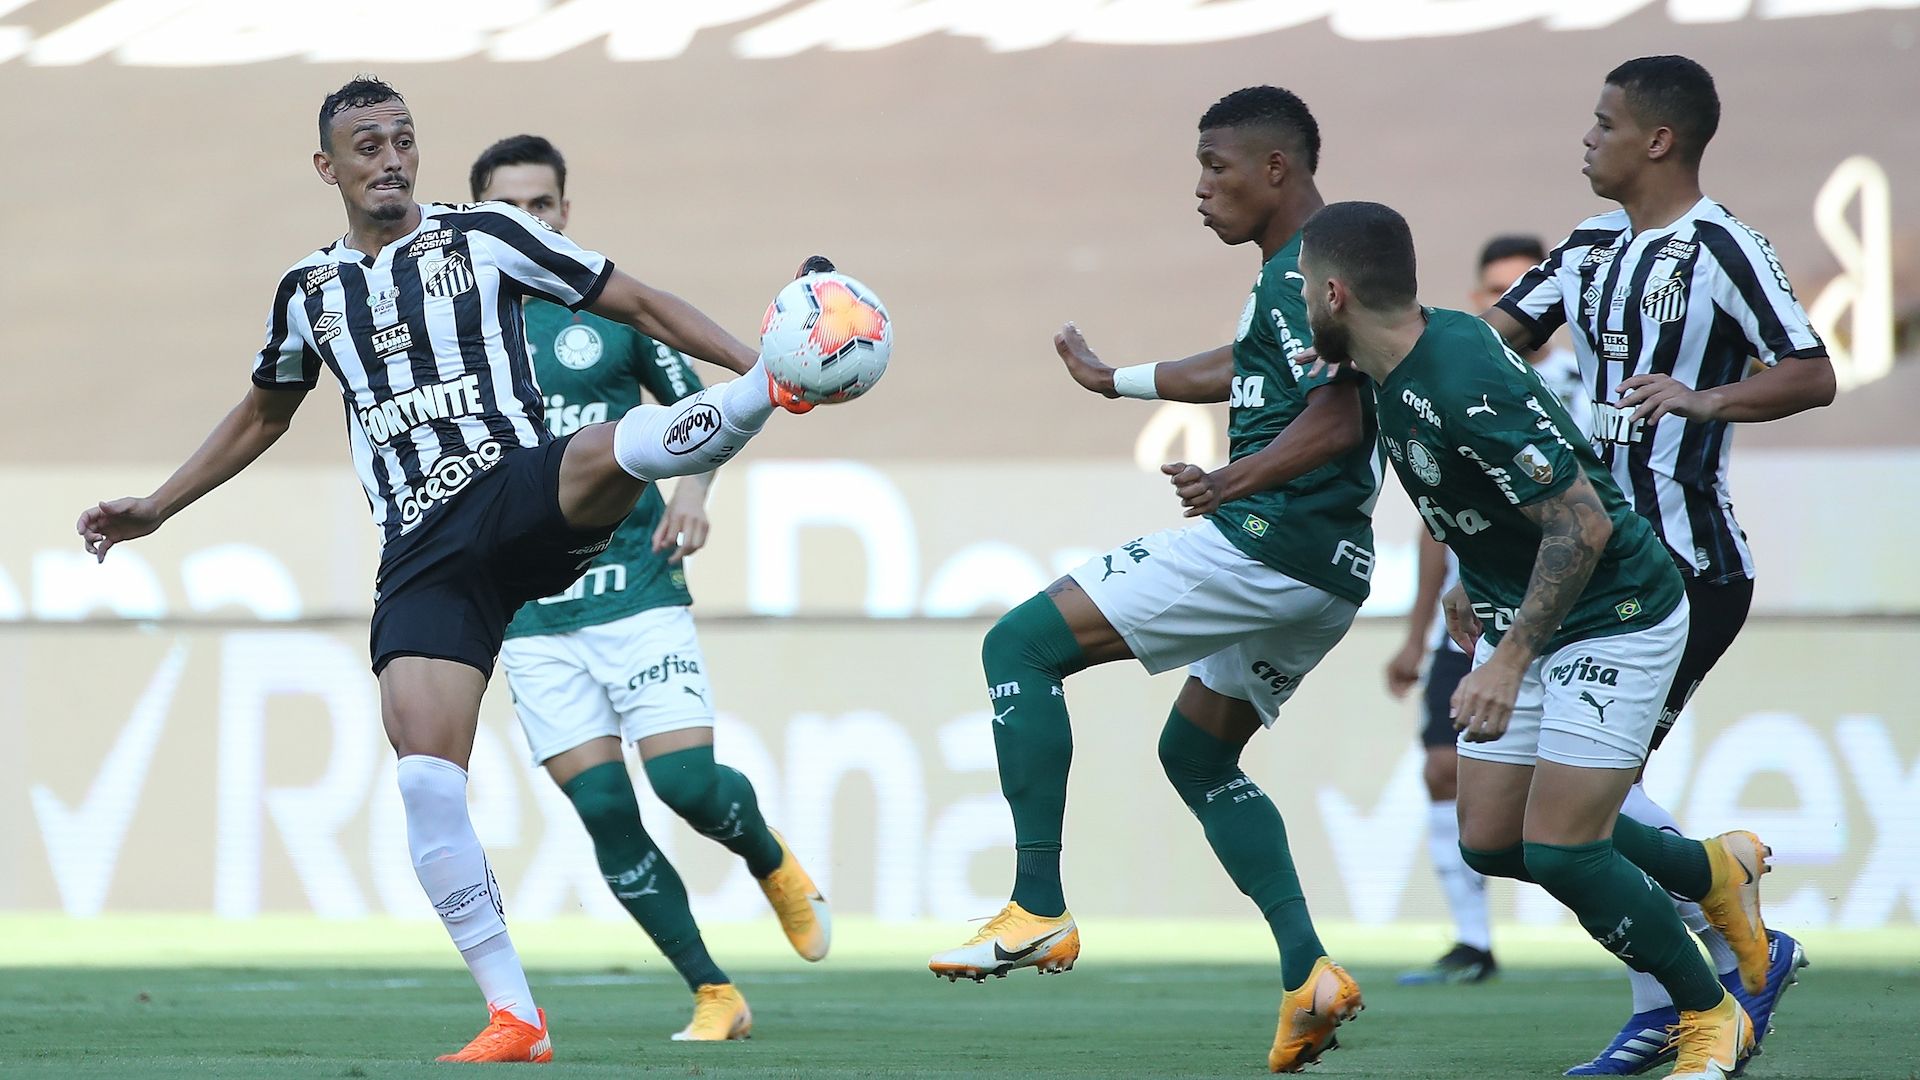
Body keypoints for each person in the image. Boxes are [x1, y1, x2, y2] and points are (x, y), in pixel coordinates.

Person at [76, 77, 835, 1063]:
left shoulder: (483, 234)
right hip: (423, 556)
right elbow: (265, 412)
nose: (389, 158)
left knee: (611, 446)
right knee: (428, 784)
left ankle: (779, 378)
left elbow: (637, 300)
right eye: (366, 145)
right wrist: (157, 508)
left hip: (510, 490)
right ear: (328, 168)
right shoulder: (309, 292)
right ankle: (515, 1015)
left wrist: (745, 357)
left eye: (402, 139)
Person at [927, 86, 1380, 1074]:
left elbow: (1343, 418)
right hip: (1330, 571)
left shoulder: (1314, 266)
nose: (1200, 188)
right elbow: (1249, 366)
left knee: (1020, 645)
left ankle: (1036, 907)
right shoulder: (1296, 278)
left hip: (1266, 541)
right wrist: (1115, 380)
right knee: (1198, 757)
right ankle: (1309, 974)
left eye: (1216, 167)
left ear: (1276, 169)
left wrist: (1233, 480)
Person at [1304, 199, 1778, 1080]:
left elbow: (1583, 525)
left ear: (1333, 293)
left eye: (1301, 290)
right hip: (1519, 602)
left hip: (1618, 609)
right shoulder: (1389, 361)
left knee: (1565, 847)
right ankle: (1711, 872)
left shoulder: (1457, 378)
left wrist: (1510, 658)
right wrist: (1472, 584)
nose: (1298, 307)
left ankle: (1710, 1016)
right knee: (1490, 837)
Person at [1482, 56, 1826, 1074]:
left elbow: (1813, 370)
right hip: (1582, 567)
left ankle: (1679, 1005)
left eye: (1603, 122)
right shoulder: (1587, 245)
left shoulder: (1724, 246)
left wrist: (1705, 398)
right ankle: (1722, 904)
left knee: (1579, 811)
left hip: (1682, 568)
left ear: (1659, 139)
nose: (1586, 138)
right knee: (1507, 825)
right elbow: (1490, 339)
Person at [470, 134, 830, 1045]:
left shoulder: (611, 314)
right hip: (528, 611)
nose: (532, 221)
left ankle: (771, 859)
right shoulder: (460, 334)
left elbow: (704, 413)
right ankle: (713, 990)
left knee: (686, 785)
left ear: (565, 210)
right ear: (479, 216)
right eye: (511, 207)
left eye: (545, 205)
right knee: (601, 809)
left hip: (636, 590)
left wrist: (695, 494)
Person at [1391, 235, 1590, 987]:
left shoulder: (1584, 388)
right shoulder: (1449, 385)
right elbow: (1435, 518)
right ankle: (1472, 942)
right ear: (1478, 302)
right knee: (1445, 767)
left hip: (1565, 607)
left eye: (1520, 289)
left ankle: (1678, 902)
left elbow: (1594, 509)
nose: (1506, 305)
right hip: (1476, 603)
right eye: (1493, 292)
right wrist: (1414, 637)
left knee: (1583, 795)